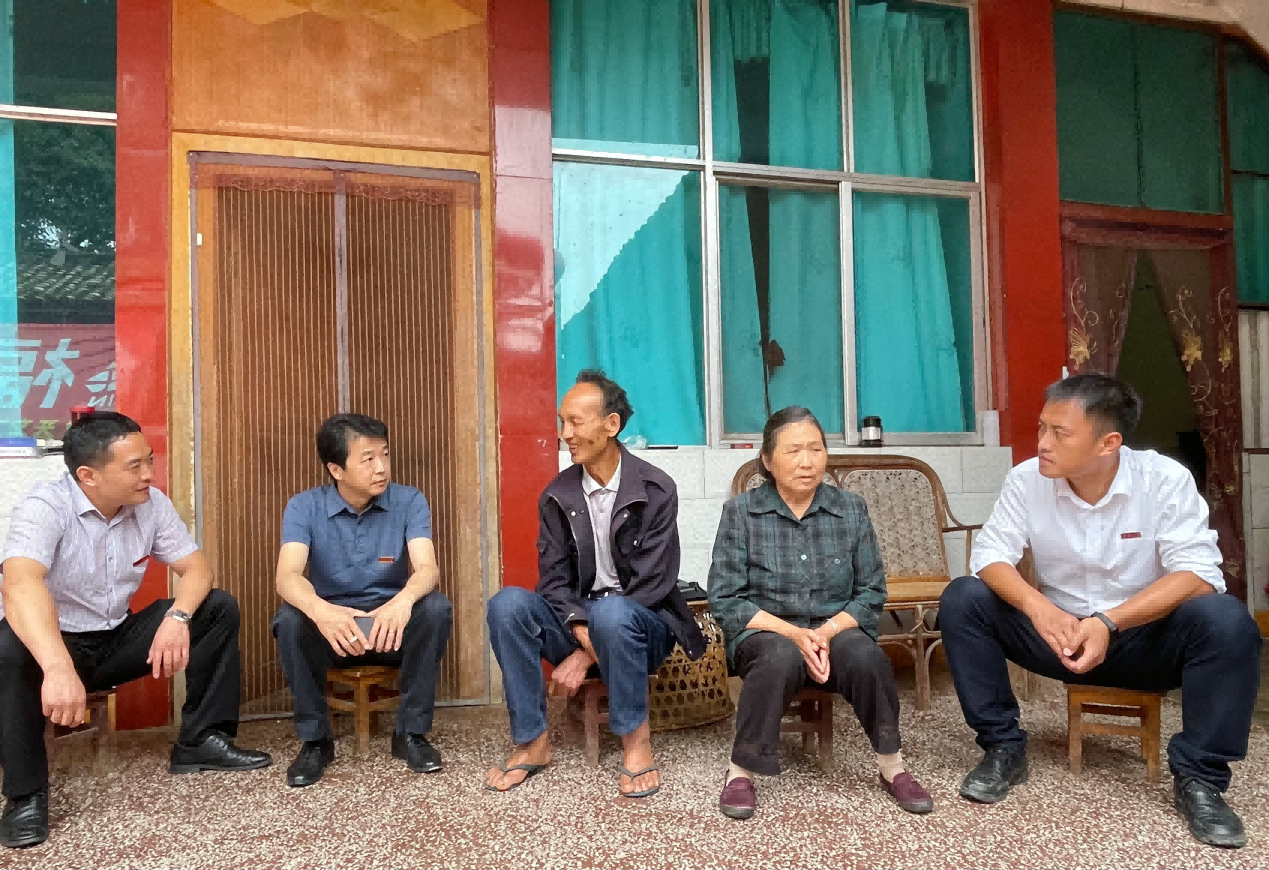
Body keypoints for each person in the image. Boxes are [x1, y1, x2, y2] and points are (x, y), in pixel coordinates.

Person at [940, 373, 1261, 849]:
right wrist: (1040, 609)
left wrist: (1110, 623)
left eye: (1060, 433)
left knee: (1227, 620)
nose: (1042, 443)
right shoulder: (1026, 480)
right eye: (1042, 427)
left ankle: (1201, 780)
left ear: (1108, 443)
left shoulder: (1164, 480)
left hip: (1142, 638)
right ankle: (1002, 747)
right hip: (1058, 636)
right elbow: (990, 557)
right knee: (964, 597)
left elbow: (1197, 573)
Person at [0, 411, 271, 850]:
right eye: (134, 466)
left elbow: (197, 570)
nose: (148, 474)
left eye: (149, 461)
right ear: (88, 476)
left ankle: (202, 740)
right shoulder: (45, 506)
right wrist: (58, 667)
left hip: (115, 638)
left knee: (216, 607)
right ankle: (25, 797)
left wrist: (178, 618)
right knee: (7, 644)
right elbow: (19, 584)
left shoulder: (151, 504)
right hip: (55, 644)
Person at [483, 370, 706, 797]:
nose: (565, 434)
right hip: (580, 623)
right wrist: (585, 636)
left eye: (575, 422)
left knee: (613, 611)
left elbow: (654, 584)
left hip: (643, 627)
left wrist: (585, 656)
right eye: (561, 422)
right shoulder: (557, 495)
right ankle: (532, 742)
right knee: (506, 605)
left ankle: (636, 742)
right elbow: (553, 582)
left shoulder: (656, 489)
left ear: (611, 425)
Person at [707, 406, 934, 819]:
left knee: (867, 657)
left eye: (815, 449)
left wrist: (826, 632)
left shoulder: (851, 509)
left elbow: (871, 591)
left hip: (836, 627)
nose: (807, 461)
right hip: (765, 631)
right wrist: (795, 634)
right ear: (767, 459)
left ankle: (893, 767)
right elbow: (726, 598)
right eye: (793, 451)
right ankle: (740, 771)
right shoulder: (741, 513)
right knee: (778, 657)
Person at [273, 413, 453, 787]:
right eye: (368, 459)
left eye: (384, 454)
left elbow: (427, 569)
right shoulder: (304, 507)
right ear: (335, 469)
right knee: (289, 620)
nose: (381, 467)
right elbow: (287, 576)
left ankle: (411, 734)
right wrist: (322, 613)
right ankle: (315, 740)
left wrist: (402, 602)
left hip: (390, 629)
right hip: (334, 632)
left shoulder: (409, 501)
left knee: (435, 609)